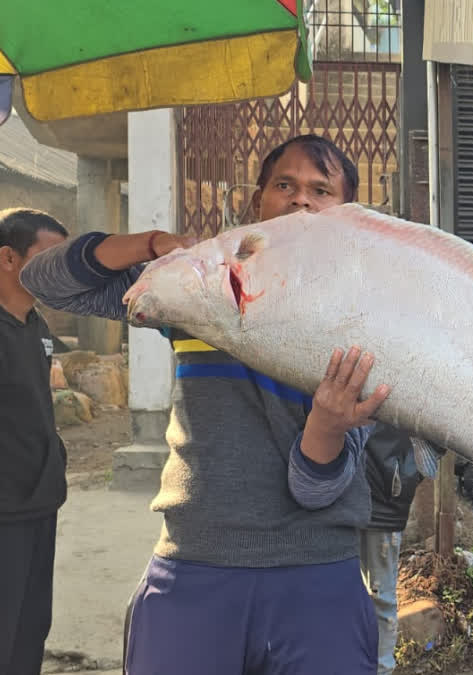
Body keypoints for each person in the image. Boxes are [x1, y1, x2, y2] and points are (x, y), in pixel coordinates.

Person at [21, 135, 389, 674]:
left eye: (321, 190)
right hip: (192, 569)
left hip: (316, 579)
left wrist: (327, 429)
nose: (300, 201)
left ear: (348, 213)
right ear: (258, 199)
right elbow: (47, 282)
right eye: (284, 185)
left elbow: (317, 488)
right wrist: (150, 245)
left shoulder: (369, 318)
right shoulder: (199, 287)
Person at [0, 208, 69, 675]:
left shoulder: (36, 325)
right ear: (8, 257)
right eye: (49, 260)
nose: (60, 273)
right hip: (3, 510)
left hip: (39, 503)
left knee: (28, 633)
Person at [359, 425, 422, 674]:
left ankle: (381, 669)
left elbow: (439, 438)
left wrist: (407, 473)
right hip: (336, 498)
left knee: (380, 598)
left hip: (383, 499)